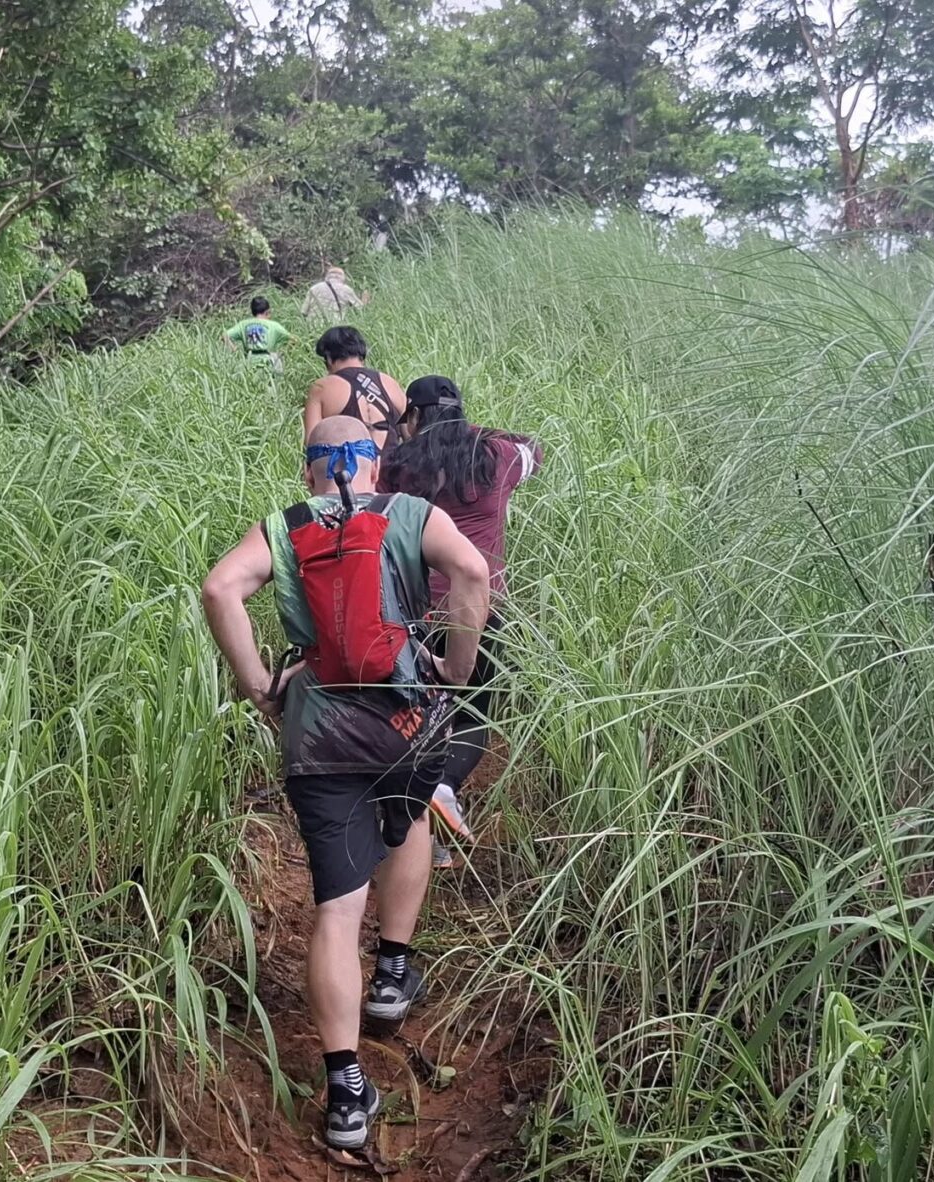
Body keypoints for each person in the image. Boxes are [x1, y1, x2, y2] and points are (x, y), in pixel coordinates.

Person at [199, 415, 491, 1155]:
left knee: (335, 908)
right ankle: (392, 974)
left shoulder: (283, 524)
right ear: (376, 462)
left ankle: (345, 1094)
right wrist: (456, 670)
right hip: (405, 722)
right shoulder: (409, 513)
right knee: (411, 819)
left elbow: (219, 589)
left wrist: (260, 687)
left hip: (319, 734)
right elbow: (472, 571)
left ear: (308, 469)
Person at [379, 376, 544, 869]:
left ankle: (414, 825)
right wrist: (472, 430)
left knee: (412, 718)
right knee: (474, 714)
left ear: (414, 416)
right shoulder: (498, 456)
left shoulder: (396, 466)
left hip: (411, 609)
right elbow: (534, 447)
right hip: (480, 608)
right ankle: (445, 786)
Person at [305, 326, 404, 447]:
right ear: (362, 354)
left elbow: (312, 442)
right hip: (395, 459)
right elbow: (410, 433)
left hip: (347, 459)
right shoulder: (390, 383)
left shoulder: (321, 387)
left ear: (329, 358)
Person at [223, 296, 291, 371]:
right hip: (268, 363)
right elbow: (294, 340)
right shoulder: (274, 325)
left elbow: (225, 336)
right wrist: (282, 354)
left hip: (249, 364)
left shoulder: (243, 325)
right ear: (267, 312)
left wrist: (234, 349)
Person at [302, 265, 367, 324]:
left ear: (327, 276)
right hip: (334, 326)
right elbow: (360, 308)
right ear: (343, 277)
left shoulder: (314, 288)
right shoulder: (346, 290)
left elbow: (303, 311)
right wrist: (365, 299)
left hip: (313, 325)